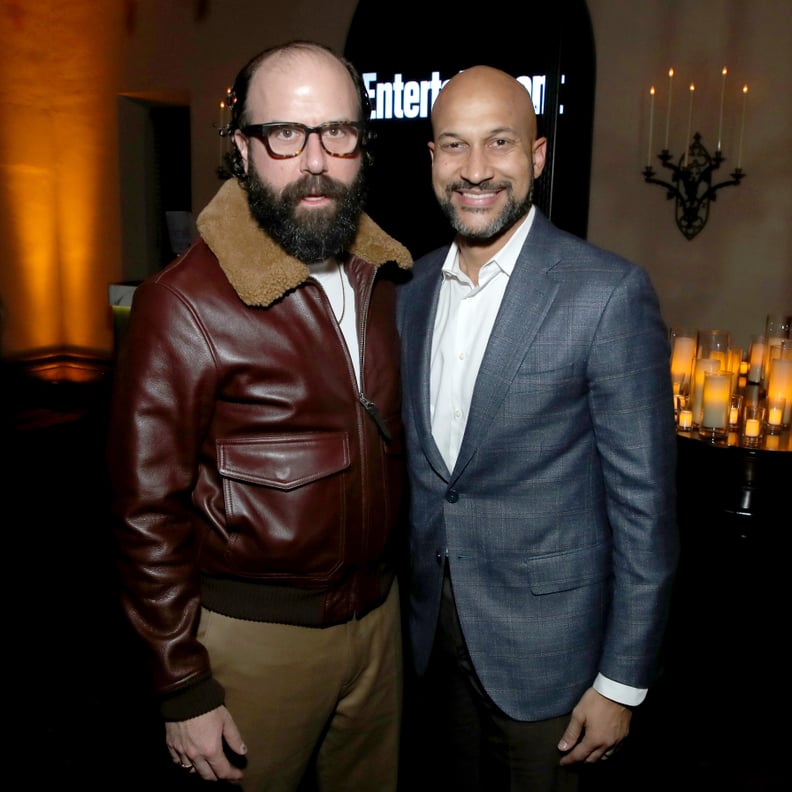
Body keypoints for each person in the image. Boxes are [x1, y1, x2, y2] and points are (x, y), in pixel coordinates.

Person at [107, 40, 411, 791]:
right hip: (252, 645)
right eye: (284, 134)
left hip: (380, 624)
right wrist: (182, 684)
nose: (315, 160)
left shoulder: (386, 276)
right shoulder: (181, 304)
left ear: (362, 147)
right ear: (241, 149)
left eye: (338, 132)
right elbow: (145, 512)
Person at [397, 65, 679, 791]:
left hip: (551, 654)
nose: (477, 170)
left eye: (500, 143)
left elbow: (645, 511)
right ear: (432, 160)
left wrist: (621, 683)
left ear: (538, 156)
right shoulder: (411, 290)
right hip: (431, 638)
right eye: (454, 146)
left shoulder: (607, 292)